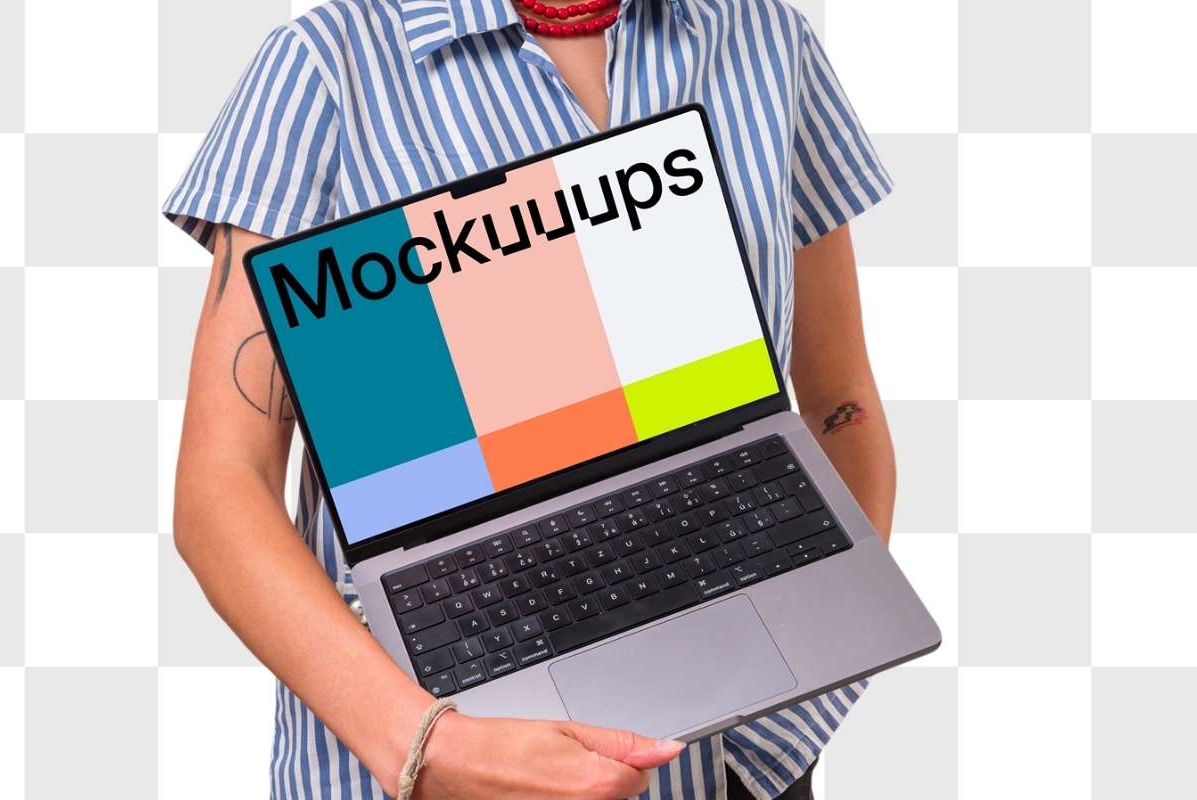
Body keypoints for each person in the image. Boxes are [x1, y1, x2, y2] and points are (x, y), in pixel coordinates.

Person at [164, 1, 895, 798]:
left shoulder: (766, 38)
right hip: (427, 761)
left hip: (733, 765)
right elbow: (219, 488)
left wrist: (779, 731)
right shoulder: (324, 64)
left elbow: (839, 399)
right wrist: (426, 746)